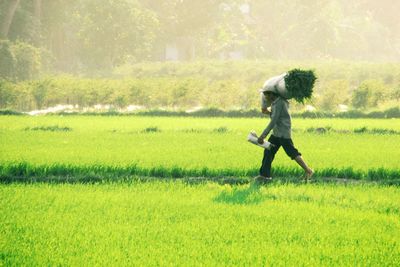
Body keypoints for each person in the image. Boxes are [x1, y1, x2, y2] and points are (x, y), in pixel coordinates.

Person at [255, 87, 314, 182]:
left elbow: (273, 121)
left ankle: (309, 171)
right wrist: (268, 112)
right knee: (268, 151)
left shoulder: (279, 103)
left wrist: (263, 136)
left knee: (292, 153)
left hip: (282, 133)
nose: (265, 97)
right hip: (276, 133)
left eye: (266, 95)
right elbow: (277, 116)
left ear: (272, 94)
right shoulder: (276, 103)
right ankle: (264, 176)